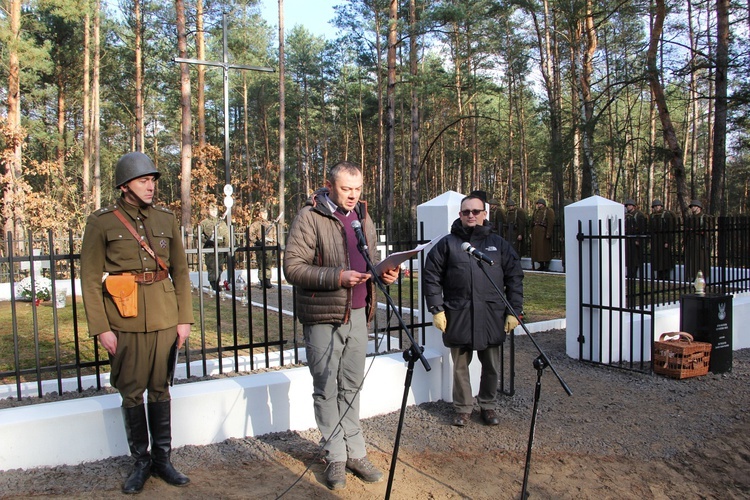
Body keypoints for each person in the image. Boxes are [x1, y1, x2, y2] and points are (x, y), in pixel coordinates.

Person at [80, 152, 194, 494]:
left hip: (163, 316)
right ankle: (140, 463)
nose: (151, 186)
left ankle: (163, 460)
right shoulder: (102, 222)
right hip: (123, 318)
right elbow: (88, 278)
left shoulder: (165, 218)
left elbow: (181, 272)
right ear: (125, 184)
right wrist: (101, 327)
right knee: (132, 391)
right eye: (144, 180)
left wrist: (183, 318)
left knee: (161, 387)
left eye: (153, 180)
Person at [283, 161, 400, 491]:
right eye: (346, 189)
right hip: (323, 315)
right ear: (329, 185)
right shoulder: (310, 216)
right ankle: (334, 454)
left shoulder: (363, 216)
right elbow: (292, 268)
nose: (353, 195)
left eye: (358, 188)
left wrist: (384, 273)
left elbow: (369, 260)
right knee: (327, 386)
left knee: (352, 385)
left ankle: (356, 452)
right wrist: (337, 277)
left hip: (359, 312)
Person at [422, 193, 523, 427]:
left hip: (492, 315)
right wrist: (437, 308)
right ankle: (463, 408)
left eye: (476, 211)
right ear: (459, 214)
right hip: (458, 313)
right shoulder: (448, 244)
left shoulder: (499, 245)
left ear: (484, 214)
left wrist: (513, 310)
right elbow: (431, 277)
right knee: (459, 367)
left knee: (491, 366)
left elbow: (514, 277)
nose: (471, 215)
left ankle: (488, 405)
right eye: (466, 211)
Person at [199, 204, 230, 291]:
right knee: (212, 267)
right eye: (212, 210)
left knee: (219, 267)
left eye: (215, 210)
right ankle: (213, 283)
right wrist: (206, 241)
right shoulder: (204, 223)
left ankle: (217, 281)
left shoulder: (222, 223)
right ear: (209, 211)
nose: (214, 212)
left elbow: (226, 236)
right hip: (210, 248)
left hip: (220, 248)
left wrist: (226, 248)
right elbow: (197, 234)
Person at [248, 207, 277, 289]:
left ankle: (268, 280)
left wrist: (274, 246)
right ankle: (262, 281)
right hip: (260, 247)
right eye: (263, 213)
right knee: (261, 264)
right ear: (259, 214)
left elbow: (274, 236)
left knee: (268, 264)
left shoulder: (271, 224)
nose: (264, 215)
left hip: (269, 246)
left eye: (265, 213)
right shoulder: (256, 224)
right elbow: (250, 234)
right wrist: (256, 242)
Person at [684, 199, 712, 283]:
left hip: (700, 242)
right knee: (692, 261)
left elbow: (707, 230)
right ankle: (693, 276)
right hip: (691, 242)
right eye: (691, 207)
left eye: (694, 206)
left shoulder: (704, 217)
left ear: (699, 207)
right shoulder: (690, 218)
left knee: (701, 260)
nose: (692, 208)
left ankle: (701, 277)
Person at [624, 199, 648, 294]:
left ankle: (634, 273)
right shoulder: (627, 215)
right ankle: (630, 273)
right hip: (628, 239)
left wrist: (638, 239)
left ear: (634, 206)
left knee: (635, 258)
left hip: (635, 239)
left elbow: (642, 228)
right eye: (627, 205)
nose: (628, 207)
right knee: (629, 257)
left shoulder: (639, 215)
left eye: (630, 205)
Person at [649, 199, 676, 280]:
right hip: (655, 239)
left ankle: (666, 275)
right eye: (655, 206)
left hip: (664, 239)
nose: (657, 207)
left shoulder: (666, 215)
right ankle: (659, 275)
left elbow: (670, 228)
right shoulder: (652, 216)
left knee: (665, 258)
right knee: (657, 258)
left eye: (658, 206)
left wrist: (668, 241)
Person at [530, 198, 555, 271]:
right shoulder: (536, 212)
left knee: (545, 249)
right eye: (537, 204)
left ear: (543, 204)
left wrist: (548, 233)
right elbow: (532, 222)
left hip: (543, 232)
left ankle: (546, 265)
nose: (538, 205)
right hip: (536, 233)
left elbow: (550, 222)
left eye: (539, 203)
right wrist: (531, 232)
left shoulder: (548, 211)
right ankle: (541, 264)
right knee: (537, 250)